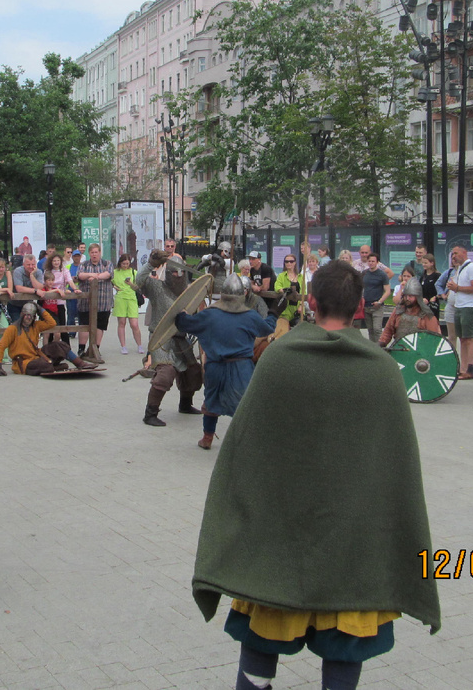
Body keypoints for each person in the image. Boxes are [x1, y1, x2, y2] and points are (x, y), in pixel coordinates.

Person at [191, 260, 440, 690]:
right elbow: (396, 471)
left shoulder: (279, 360)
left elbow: (244, 454)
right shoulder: (381, 371)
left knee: (261, 644)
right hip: (352, 552)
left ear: (310, 302)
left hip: (280, 549)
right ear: (360, 305)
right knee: (344, 647)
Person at [175, 272, 278, 450]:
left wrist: (181, 315)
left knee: (211, 400)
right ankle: (243, 443)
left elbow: (185, 324)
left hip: (215, 366)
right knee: (243, 405)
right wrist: (274, 313)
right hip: (241, 368)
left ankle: (207, 438)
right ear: (241, 295)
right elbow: (267, 328)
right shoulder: (250, 316)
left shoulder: (209, 315)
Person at [136, 250, 203, 426]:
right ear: (167, 272)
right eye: (173, 272)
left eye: (180, 273)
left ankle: (185, 404)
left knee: (193, 371)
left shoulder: (189, 292)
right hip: (161, 338)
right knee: (166, 374)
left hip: (181, 338)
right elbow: (139, 281)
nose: (177, 276)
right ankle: (150, 413)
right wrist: (151, 264)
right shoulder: (157, 288)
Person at [0, 303, 95, 375]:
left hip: (37, 356)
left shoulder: (36, 325)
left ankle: (80, 364)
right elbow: (1, 346)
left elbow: (52, 323)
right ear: (22, 315)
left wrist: (40, 309)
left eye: (31, 316)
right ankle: (54, 367)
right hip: (23, 363)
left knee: (60, 345)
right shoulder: (12, 329)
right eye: (27, 315)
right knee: (43, 365)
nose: (29, 318)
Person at [446, 246, 473, 380]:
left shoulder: (472, 267)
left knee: (469, 338)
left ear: (464, 253)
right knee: (462, 339)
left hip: (469, 307)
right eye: (452, 254)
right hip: (459, 306)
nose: (453, 256)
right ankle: (463, 368)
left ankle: (470, 369)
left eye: (456, 253)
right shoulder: (460, 268)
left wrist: (457, 288)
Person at [76, 243, 113, 363]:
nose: (94, 254)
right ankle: (81, 349)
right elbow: (80, 275)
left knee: (100, 326)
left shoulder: (107, 263)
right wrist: (93, 275)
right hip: (85, 303)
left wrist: (96, 278)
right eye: (92, 252)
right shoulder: (83, 265)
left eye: (96, 252)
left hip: (103, 302)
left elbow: (108, 274)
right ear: (89, 254)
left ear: (100, 253)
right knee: (84, 325)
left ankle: (96, 348)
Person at [378, 278, 440, 347]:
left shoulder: (427, 315)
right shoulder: (398, 311)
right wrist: (381, 343)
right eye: (406, 295)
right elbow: (388, 331)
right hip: (399, 349)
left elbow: (433, 340)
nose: (407, 298)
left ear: (417, 297)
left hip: (419, 353)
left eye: (410, 296)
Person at [111, 254, 143, 355]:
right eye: (124, 264)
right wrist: (115, 287)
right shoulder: (115, 272)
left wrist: (130, 284)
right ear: (120, 263)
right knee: (122, 323)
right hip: (120, 298)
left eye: (127, 264)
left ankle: (139, 345)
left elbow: (138, 287)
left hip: (132, 298)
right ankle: (123, 346)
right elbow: (109, 281)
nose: (125, 265)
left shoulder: (133, 272)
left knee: (134, 324)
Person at [360, 254, 392, 343]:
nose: (371, 263)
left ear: (377, 262)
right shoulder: (364, 273)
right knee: (370, 330)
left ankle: (380, 348)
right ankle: (373, 348)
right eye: (369, 261)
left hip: (377, 306)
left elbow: (387, 291)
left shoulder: (382, 275)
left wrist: (380, 301)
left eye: (373, 261)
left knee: (377, 329)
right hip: (366, 305)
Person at [274, 254, 305, 325]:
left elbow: (304, 291)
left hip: (297, 308)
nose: (289, 263)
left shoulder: (301, 277)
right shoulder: (281, 276)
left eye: (291, 261)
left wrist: (301, 305)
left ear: (295, 263)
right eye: (286, 262)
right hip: (285, 307)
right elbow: (277, 286)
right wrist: (284, 291)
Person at [419, 252, 441, 319]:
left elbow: (441, 289)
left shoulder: (437, 276)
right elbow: (419, 289)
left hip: (433, 304)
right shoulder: (423, 276)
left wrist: (435, 297)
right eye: (423, 263)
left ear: (432, 263)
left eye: (425, 263)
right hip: (423, 304)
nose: (423, 265)